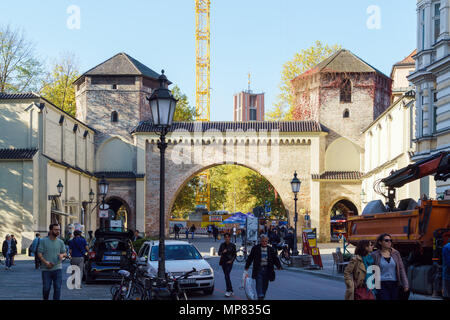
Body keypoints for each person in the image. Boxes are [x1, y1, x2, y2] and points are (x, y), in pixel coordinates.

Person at [371, 233, 409, 300]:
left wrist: (405, 284)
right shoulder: (375, 255)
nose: (389, 242)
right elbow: (370, 270)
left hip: (394, 283)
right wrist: (370, 285)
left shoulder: (396, 253)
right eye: (386, 240)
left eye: (390, 240)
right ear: (380, 242)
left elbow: (401, 269)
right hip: (380, 284)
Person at [245, 234, 282, 300]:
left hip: (268, 270)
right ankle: (260, 295)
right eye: (263, 241)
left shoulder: (270, 249)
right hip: (258, 269)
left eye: (265, 241)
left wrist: (279, 266)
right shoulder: (255, 248)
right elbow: (250, 257)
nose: (264, 243)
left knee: (265, 284)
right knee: (259, 282)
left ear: (267, 242)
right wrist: (247, 266)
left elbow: (275, 258)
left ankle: (262, 295)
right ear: (260, 241)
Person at [37, 224, 67, 300]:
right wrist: (45, 262)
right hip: (46, 269)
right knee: (46, 288)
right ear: (50, 230)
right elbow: (39, 254)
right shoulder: (43, 241)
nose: (58, 231)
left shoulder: (60, 242)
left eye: (59, 230)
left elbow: (65, 253)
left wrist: (62, 255)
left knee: (57, 288)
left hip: (57, 269)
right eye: (56, 229)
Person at [218, 233, 237, 297]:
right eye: (225, 237)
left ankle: (228, 291)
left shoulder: (232, 245)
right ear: (224, 238)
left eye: (228, 237)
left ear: (230, 238)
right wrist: (222, 252)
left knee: (226, 275)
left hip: (229, 262)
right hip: (223, 262)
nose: (226, 238)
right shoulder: (222, 245)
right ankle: (231, 290)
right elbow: (218, 253)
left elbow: (235, 255)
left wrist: (231, 261)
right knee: (227, 276)